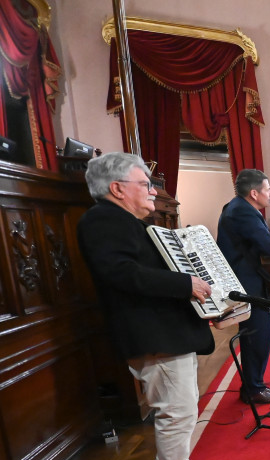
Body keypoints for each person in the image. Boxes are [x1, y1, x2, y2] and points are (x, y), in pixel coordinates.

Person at [76, 153, 214, 460]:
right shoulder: (103, 219)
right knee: (176, 415)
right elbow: (121, 272)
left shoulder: (123, 221)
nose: (153, 190)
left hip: (165, 334)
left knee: (181, 412)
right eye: (145, 183)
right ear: (118, 188)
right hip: (154, 335)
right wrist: (184, 284)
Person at [218, 169, 270, 405]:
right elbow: (264, 243)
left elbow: (257, 242)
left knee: (258, 333)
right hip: (247, 282)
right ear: (254, 193)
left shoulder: (238, 207)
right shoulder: (242, 211)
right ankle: (253, 389)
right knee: (257, 334)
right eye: (267, 189)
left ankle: (254, 385)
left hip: (249, 279)